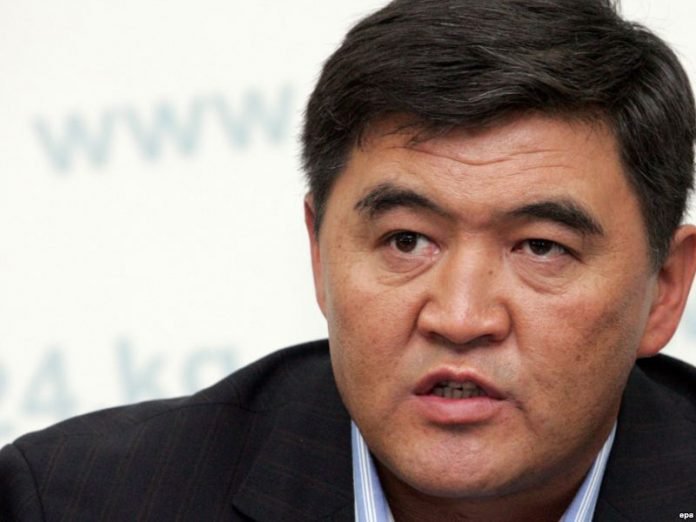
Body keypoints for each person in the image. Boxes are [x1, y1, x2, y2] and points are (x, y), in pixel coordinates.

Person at [2, 0, 696, 520]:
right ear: (318, 254)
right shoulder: (74, 501)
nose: (460, 318)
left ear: (664, 290)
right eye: (406, 241)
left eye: (541, 247)